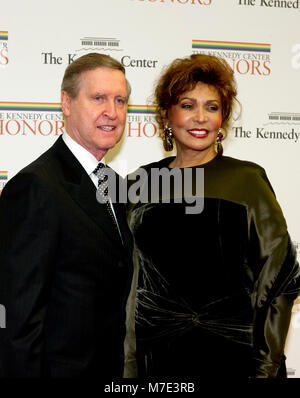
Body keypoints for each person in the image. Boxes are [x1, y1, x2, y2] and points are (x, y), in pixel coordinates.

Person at [126, 54, 300, 378]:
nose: (200, 118)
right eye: (188, 105)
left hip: (234, 361)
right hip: (158, 360)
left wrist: (263, 369)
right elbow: (128, 285)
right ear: (167, 114)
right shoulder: (139, 183)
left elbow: (279, 282)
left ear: (223, 118)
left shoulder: (247, 180)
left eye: (212, 107)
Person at [0, 53, 133, 378]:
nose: (112, 112)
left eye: (120, 100)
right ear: (67, 103)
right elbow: (18, 320)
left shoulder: (116, 186)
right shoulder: (36, 187)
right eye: (98, 98)